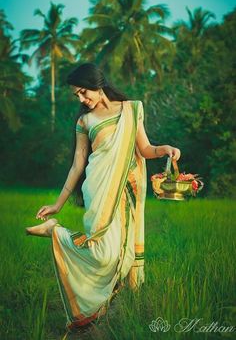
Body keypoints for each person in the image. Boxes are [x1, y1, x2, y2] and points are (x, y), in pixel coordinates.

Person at [25, 63, 181, 331]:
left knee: (124, 253)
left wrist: (164, 148)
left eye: (83, 92)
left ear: (98, 85)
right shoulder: (84, 121)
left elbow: (144, 149)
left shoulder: (132, 109)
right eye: (77, 95)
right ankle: (56, 232)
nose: (81, 99)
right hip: (98, 190)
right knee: (103, 254)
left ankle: (119, 308)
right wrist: (57, 204)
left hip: (128, 189)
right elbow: (78, 165)